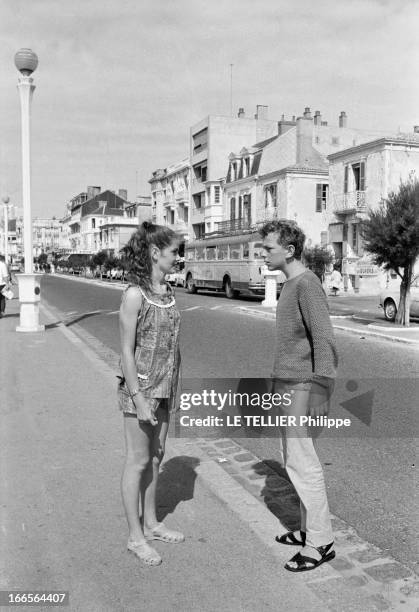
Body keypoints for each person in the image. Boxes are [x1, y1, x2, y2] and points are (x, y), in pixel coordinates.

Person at [260, 220, 338, 572]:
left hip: (303, 388)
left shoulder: (307, 284)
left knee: (303, 463)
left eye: (268, 247)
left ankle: (320, 542)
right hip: (287, 386)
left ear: (289, 249)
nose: (264, 253)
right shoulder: (291, 284)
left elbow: (324, 341)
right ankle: (307, 530)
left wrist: (321, 390)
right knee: (293, 459)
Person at [118, 221, 184, 567]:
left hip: (165, 389)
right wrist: (139, 398)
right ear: (156, 253)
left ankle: (152, 522)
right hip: (139, 391)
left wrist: (172, 391)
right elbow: (127, 351)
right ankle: (135, 537)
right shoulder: (134, 294)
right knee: (138, 460)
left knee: (157, 457)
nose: (178, 257)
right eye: (174, 251)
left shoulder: (169, 293)